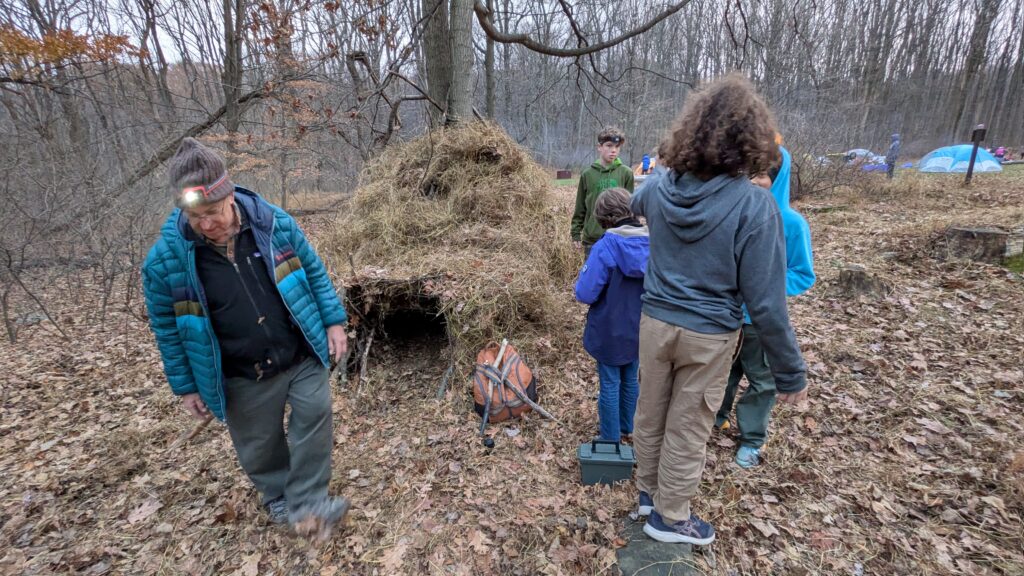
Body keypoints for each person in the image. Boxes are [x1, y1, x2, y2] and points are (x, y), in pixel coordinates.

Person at [628, 74, 808, 546]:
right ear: (750, 141)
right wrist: (791, 374)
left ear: (692, 131)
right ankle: (669, 518)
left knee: (651, 411)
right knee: (687, 425)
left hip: (655, 324)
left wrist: (661, 182)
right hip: (707, 335)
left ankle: (648, 492)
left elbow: (635, 199)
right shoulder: (755, 206)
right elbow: (766, 302)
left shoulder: (661, 188)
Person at [142, 138, 350, 533]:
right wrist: (186, 386)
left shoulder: (274, 224)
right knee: (259, 441)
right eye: (194, 216)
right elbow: (166, 329)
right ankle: (277, 495)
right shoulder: (165, 263)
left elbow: (313, 271)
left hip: (298, 350)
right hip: (241, 371)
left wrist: (332, 321)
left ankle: (308, 501)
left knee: (314, 413)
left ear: (230, 195)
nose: (206, 224)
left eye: (213, 211)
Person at [715, 145, 815, 469]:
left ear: (778, 178)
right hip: (728, 316)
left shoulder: (792, 223)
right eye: (749, 174)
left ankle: (752, 438)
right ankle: (717, 416)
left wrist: (763, 284)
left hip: (761, 322)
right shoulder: (734, 214)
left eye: (762, 175)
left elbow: (802, 274)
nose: (754, 181)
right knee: (724, 373)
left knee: (762, 381)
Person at [574, 187, 650, 444]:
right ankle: (629, 426)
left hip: (609, 328)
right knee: (631, 377)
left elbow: (585, 293)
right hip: (640, 325)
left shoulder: (605, 246)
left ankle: (610, 437)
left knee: (609, 382)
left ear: (604, 217)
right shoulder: (654, 242)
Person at [571, 127, 635, 257]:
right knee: (592, 270)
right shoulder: (587, 174)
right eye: (609, 146)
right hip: (592, 239)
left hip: (618, 237)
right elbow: (580, 206)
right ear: (599, 147)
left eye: (617, 146)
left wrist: (631, 234)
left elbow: (631, 208)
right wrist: (576, 233)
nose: (614, 150)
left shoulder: (626, 173)